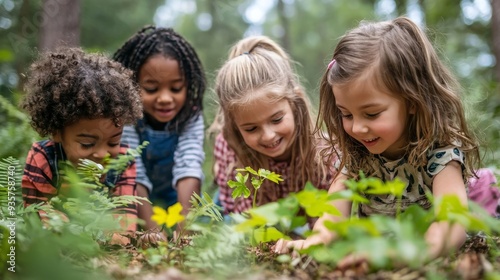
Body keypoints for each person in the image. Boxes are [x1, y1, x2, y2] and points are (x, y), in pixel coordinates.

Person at [275, 16, 480, 266]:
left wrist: (402, 255)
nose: (358, 128)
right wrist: (315, 241)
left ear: (412, 102)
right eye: (346, 114)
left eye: (372, 114)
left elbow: (452, 225)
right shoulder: (358, 158)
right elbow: (331, 219)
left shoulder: (440, 156)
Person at [21, 47, 143, 244]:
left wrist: (114, 237)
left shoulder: (123, 161)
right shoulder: (43, 159)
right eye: (87, 144)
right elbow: (37, 215)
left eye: (113, 141)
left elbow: (124, 221)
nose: (103, 153)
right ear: (57, 132)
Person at [210, 35, 337, 223]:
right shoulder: (229, 147)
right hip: (240, 212)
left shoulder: (324, 152)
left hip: (298, 221)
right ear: (235, 127)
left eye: (277, 120)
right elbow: (245, 219)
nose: (268, 136)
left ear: (295, 104)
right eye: (251, 129)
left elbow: (325, 217)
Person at [113, 26, 206, 230]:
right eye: (152, 89)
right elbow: (132, 172)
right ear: (132, 84)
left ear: (188, 85)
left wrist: (184, 231)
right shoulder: (128, 116)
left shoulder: (190, 115)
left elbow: (189, 168)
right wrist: (152, 231)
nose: (165, 98)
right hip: (136, 202)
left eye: (175, 88)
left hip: (180, 204)